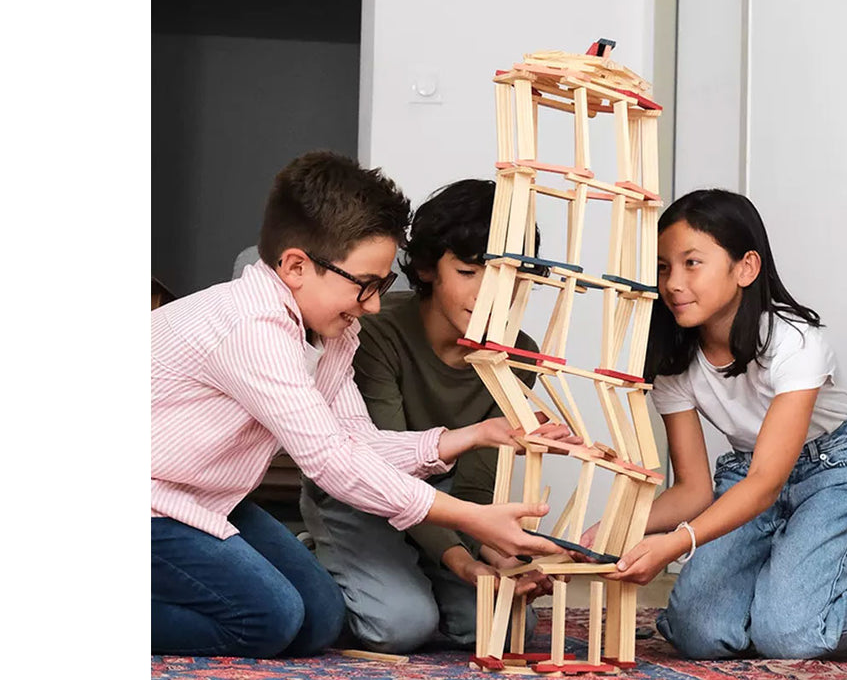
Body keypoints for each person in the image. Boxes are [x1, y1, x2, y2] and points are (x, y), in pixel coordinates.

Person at [151, 151, 567, 659]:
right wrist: (472, 520)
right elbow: (331, 463)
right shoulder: (253, 328)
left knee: (320, 620)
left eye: (382, 285)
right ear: (296, 266)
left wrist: (474, 435)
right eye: (364, 285)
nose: (372, 304)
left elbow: (358, 442)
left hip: (209, 499)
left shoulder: (335, 330)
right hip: (154, 502)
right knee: (270, 620)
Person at [582, 188, 847, 659]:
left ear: (746, 268)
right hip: (746, 471)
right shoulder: (675, 366)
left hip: (831, 471)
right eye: (663, 267)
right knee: (698, 634)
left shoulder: (796, 341)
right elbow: (693, 490)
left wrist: (674, 543)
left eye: (691, 263)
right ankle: (782, 586)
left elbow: (766, 482)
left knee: (788, 635)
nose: (673, 282)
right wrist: (617, 529)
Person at [299, 179, 559, 653]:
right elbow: (383, 474)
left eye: (512, 276)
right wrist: (461, 562)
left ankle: (416, 573)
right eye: (468, 271)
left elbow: (480, 486)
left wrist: (496, 554)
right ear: (426, 268)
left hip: (448, 504)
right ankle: (314, 556)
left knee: (505, 628)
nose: (491, 295)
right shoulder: (373, 331)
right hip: (361, 495)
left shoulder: (520, 354)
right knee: (401, 626)